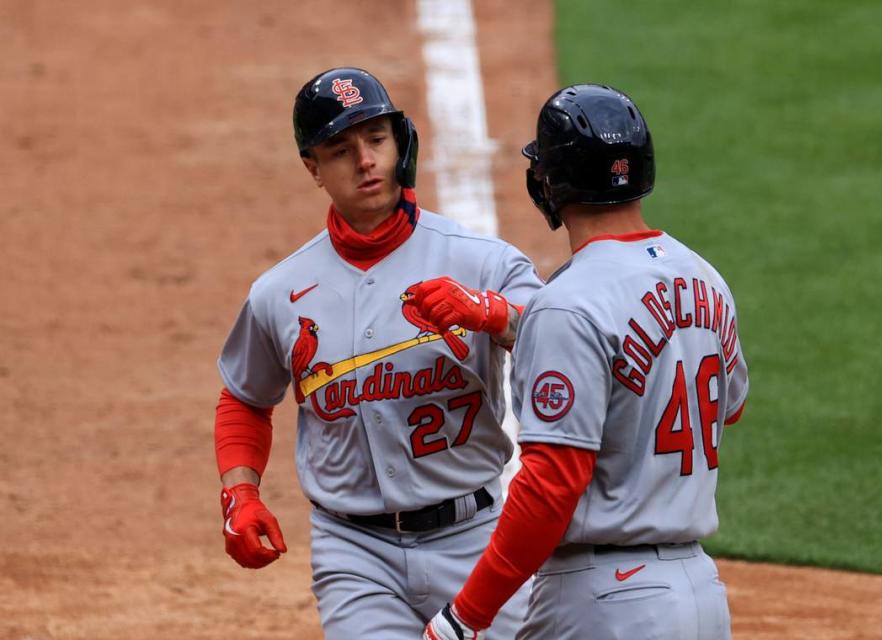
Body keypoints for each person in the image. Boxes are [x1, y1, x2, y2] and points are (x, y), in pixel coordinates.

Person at [213, 67, 541, 639]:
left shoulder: (483, 263)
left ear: (400, 143)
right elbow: (244, 398)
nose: (365, 161)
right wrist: (240, 492)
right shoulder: (280, 294)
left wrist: (491, 313)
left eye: (377, 140)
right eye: (341, 149)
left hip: (476, 538)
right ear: (312, 168)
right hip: (354, 552)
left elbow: (562, 348)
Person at [420, 84, 749, 640]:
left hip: (605, 601)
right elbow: (724, 407)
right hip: (699, 593)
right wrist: (508, 320)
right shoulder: (704, 277)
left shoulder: (568, 301)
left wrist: (466, 615)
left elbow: (550, 485)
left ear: (552, 181)